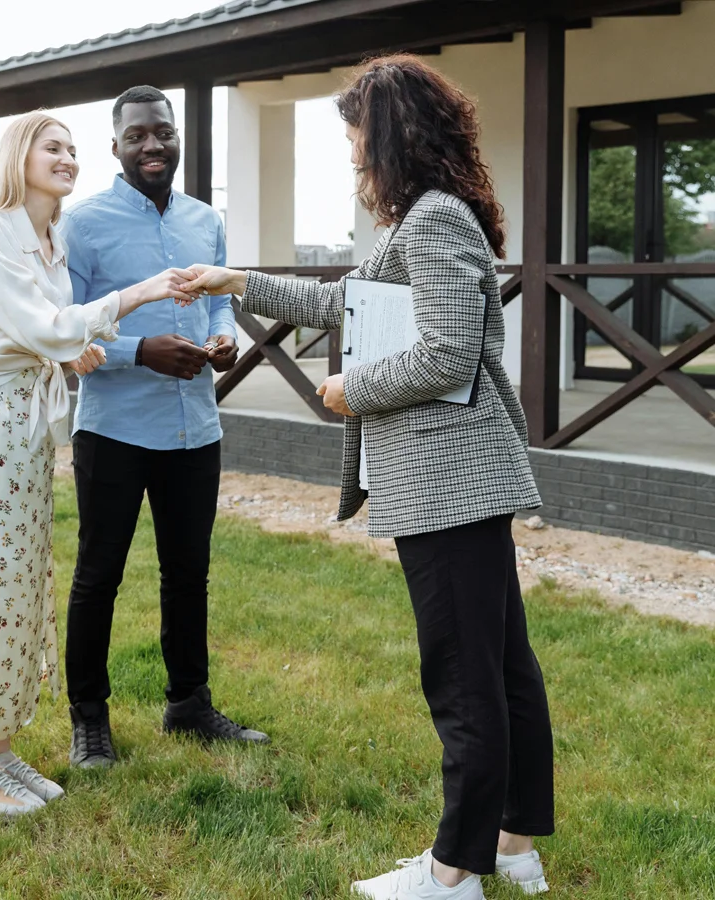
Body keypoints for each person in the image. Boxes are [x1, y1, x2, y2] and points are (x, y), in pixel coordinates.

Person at [181, 56, 554, 900]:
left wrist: (353, 389)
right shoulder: (419, 220)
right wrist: (240, 280)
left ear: (392, 136)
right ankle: (515, 846)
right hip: (455, 480)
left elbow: (452, 352)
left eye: (357, 141)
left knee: (464, 678)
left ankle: (455, 871)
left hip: (449, 478)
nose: (354, 158)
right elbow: (350, 300)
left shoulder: (433, 222)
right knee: (502, 670)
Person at [0, 110, 198, 816]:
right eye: (54, 147)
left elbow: (41, 331)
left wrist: (68, 349)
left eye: (74, 150)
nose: (69, 158)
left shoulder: (46, 242)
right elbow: (41, 325)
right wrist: (136, 294)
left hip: (25, 427)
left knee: (18, 589)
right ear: (20, 156)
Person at [60, 85, 269, 769]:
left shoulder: (206, 221)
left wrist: (222, 337)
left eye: (163, 133)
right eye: (137, 135)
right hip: (114, 429)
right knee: (99, 576)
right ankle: (89, 719)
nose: (152, 145)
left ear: (178, 137)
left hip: (193, 432)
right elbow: (68, 329)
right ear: (115, 146)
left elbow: (215, 304)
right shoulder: (81, 225)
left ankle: (189, 703)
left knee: (189, 574)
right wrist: (138, 350)